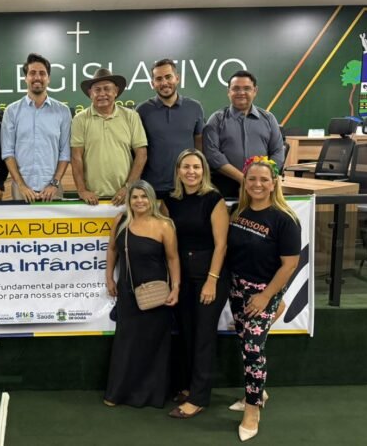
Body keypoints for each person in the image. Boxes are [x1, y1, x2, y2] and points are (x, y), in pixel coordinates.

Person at [227, 156, 301, 441]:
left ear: (273, 184)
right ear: (245, 182)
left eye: (263, 180)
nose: (257, 184)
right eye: (252, 179)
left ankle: (252, 409)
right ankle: (260, 392)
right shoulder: (238, 211)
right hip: (237, 289)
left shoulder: (285, 219)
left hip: (263, 292)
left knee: (254, 350)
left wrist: (267, 297)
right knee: (245, 344)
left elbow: (289, 265)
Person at [161, 149, 229, 418]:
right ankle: (190, 386)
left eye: (196, 167)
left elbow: (221, 245)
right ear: (178, 171)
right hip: (183, 275)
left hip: (209, 275)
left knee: (203, 337)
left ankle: (199, 398)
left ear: (204, 171)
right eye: (186, 167)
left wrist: (212, 281)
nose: (191, 172)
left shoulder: (214, 200)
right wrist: (175, 283)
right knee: (187, 333)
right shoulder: (170, 201)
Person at [103, 180, 180, 408]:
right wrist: (109, 277)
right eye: (135, 197)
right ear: (129, 200)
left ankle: (151, 395)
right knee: (126, 343)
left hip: (156, 294)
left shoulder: (165, 225)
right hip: (127, 292)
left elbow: (173, 259)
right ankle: (119, 393)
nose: (139, 201)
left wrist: (176, 287)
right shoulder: (121, 221)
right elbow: (112, 249)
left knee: (153, 345)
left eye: (144, 196)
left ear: (151, 199)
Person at [202, 70, 284, 198]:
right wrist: (242, 178)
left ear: (255, 91)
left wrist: (263, 177)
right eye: (236, 89)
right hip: (224, 185)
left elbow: (278, 152)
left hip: (260, 186)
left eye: (247, 88)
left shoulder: (268, 118)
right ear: (229, 91)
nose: (241, 93)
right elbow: (212, 154)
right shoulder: (217, 119)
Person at [1, 53, 71, 202]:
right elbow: (8, 152)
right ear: (26, 78)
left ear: (48, 78)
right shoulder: (11, 111)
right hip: (21, 189)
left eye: (42, 73)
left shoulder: (63, 111)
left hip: (53, 189)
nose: (37, 77)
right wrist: (21, 186)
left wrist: (54, 184)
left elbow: (65, 153)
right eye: (32, 73)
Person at [71, 68, 147, 206]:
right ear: (90, 93)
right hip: (92, 200)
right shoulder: (79, 119)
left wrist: (128, 187)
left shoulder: (131, 116)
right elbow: (76, 157)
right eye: (97, 90)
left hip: (125, 197)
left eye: (107, 89)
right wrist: (82, 190)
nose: (102, 94)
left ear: (116, 91)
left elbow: (141, 154)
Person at [137, 59, 204, 199]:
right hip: (152, 188)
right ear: (152, 83)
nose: (164, 82)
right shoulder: (142, 111)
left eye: (168, 77)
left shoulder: (195, 107)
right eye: (158, 79)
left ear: (177, 78)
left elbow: (199, 144)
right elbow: (137, 150)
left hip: (187, 186)